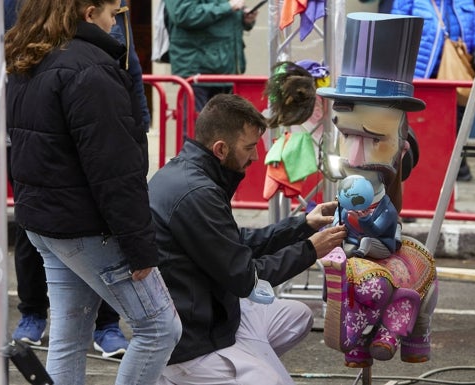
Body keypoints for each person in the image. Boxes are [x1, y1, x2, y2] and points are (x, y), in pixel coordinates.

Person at [4, 1, 182, 384]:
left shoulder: (31, 59)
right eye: (112, 13)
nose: (114, 22)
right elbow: (115, 170)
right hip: (83, 225)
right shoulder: (89, 68)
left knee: (69, 339)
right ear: (88, 14)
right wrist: (139, 247)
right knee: (160, 329)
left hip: (48, 222)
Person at [147, 93, 348, 385]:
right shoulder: (197, 193)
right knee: (276, 382)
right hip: (194, 339)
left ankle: (248, 361)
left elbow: (234, 241)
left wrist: (302, 225)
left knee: (298, 316)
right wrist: (309, 250)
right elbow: (245, 277)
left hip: (215, 310)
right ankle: (191, 377)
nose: (256, 157)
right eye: (250, 147)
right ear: (220, 148)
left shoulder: (191, 173)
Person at [381, 0, 475, 182]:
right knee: (422, 126)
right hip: (423, 74)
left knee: (456, 122)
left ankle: (457, 171)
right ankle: (425, 171)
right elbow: (396, 27)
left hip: (455, 71)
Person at [164, 0, 258, 113]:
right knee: (195, 128)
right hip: (197, 70)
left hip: (225, 69)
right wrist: (228, 7)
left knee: (224, 128)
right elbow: (183, 13)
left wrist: (244, 18)